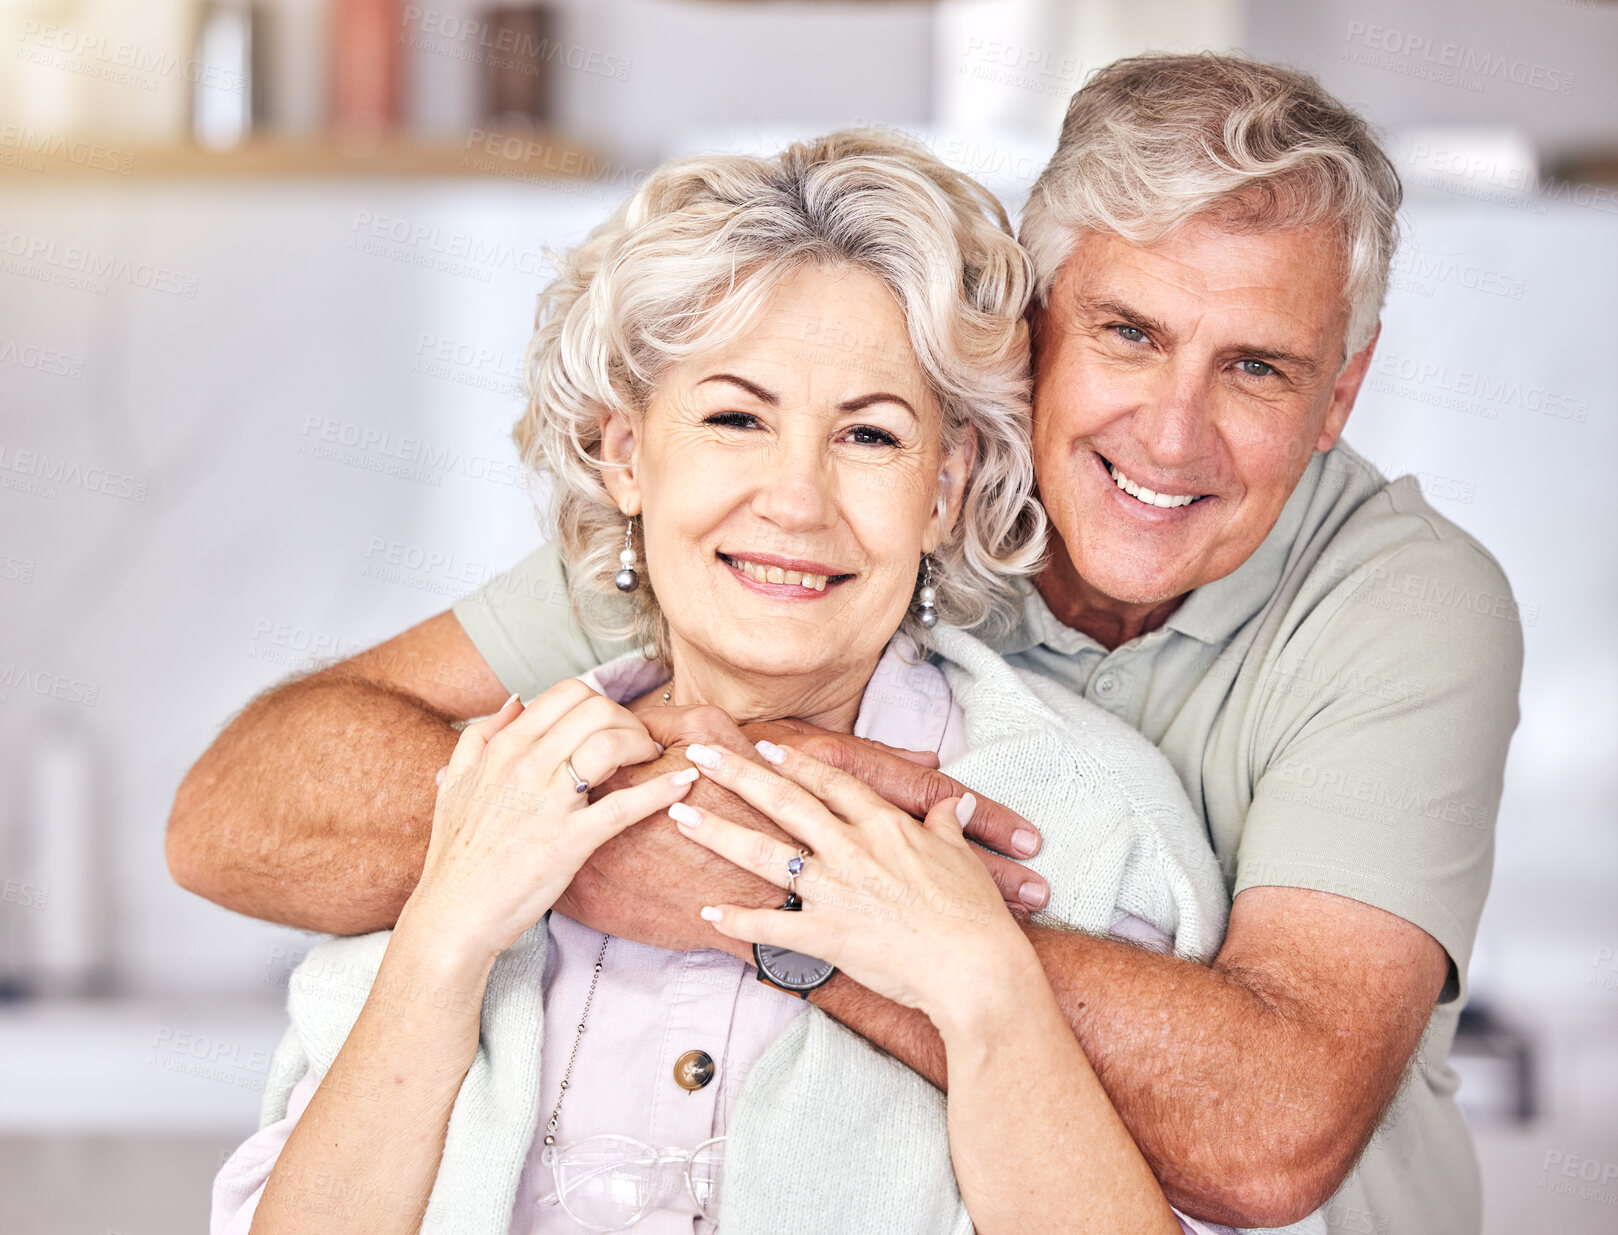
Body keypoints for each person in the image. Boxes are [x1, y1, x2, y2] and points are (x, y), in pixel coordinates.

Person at [172, 54, 1523, 1235]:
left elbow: (1265, 1133)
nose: (1170, 436)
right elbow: (242, 811)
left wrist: (848, 916)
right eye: (1126, 333)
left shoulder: (1372, 625)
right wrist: (608, 835)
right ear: (1035, 327)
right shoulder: (706, 562)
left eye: (1256, 367)